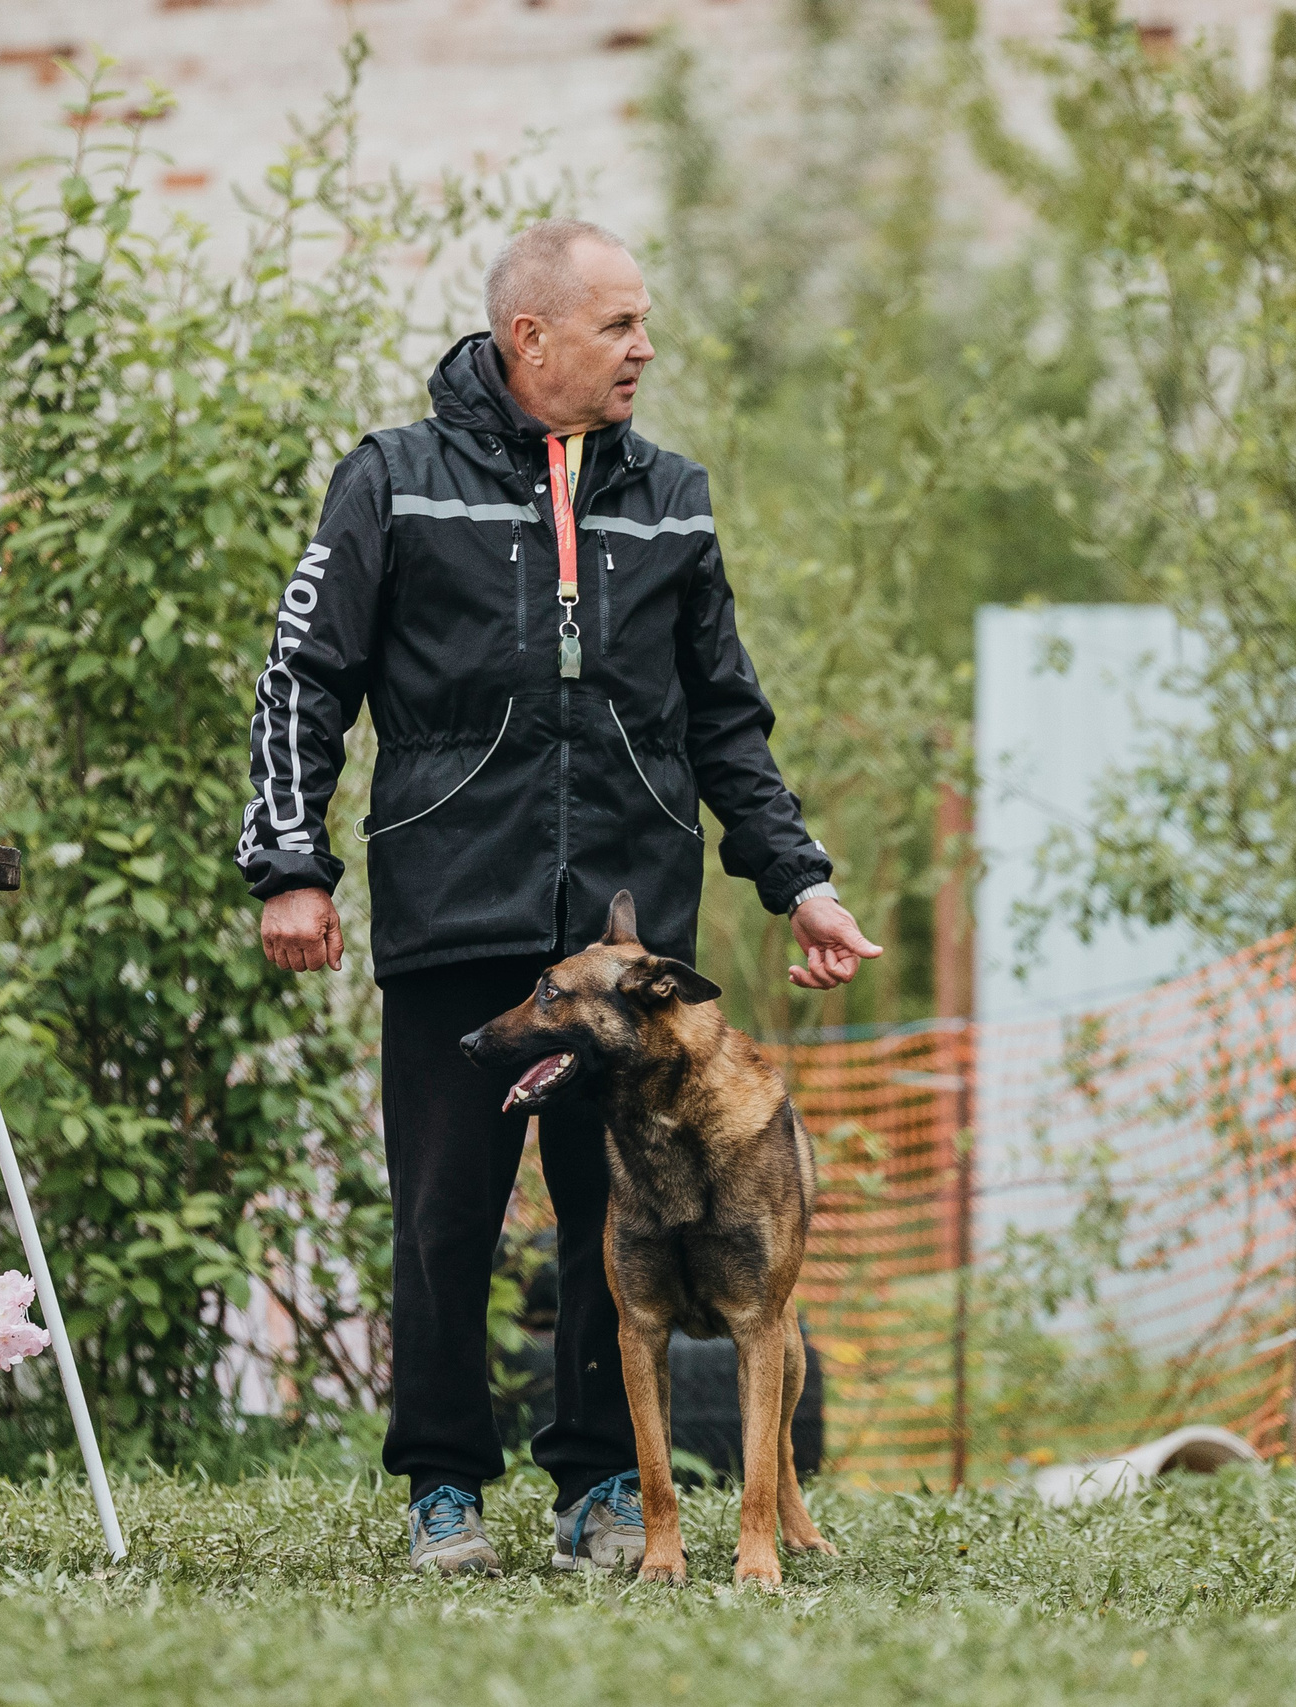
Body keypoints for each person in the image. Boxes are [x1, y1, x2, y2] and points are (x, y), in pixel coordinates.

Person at [235, 218, 881, 1576]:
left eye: (644, 324)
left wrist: (799, 880)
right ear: (533, 338)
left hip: (631, 954)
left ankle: (600, 1485)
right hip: (454, 916)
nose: (647, 348)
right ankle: (444, 1491)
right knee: (446, 1217)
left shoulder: (674, 497)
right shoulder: (394, 482)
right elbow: (304, 680)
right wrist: (291, 865)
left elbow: (727, 723)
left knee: (631, 1217)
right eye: (621, 325)